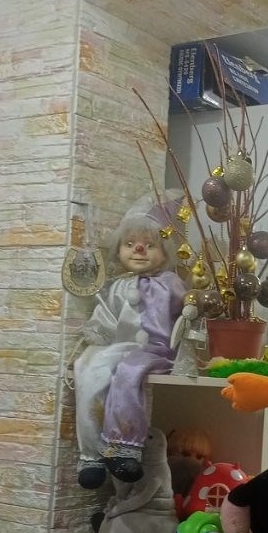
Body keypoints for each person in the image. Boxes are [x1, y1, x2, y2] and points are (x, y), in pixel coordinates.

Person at [74, 196, 187, 488]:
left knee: (129, 371)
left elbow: (185, 311)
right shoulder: (117, 286)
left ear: (165, 252)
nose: (139, 250)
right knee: (87, 367)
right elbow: (107, 318)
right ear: (119, 249)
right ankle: (92, 455)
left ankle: (123, 447)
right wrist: (97, 336)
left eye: (150, 245)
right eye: (130, 244)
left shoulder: (170, 283)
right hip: (121, 346)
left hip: (157, 350)